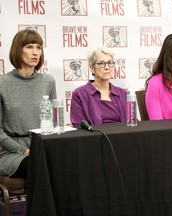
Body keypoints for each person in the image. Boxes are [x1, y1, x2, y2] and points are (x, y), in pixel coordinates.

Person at [0, 29, 57, 178]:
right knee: (39, 164)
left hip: (41, 147)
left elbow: (53, 121)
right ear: (18, 50)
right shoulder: (2, 83)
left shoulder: (48, 81)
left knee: (67, 160)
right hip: (10, 153)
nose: (35, 52)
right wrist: (24, 151)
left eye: (38, 47)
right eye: (29, 46)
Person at [70, 46, 127, 126]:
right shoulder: (80, 94)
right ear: (92, 68)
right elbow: (79, 125)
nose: (107, 67)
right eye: (101, 63)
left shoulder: (122, 93)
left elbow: (133, 122)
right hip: (95, 137)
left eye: (110, 63)